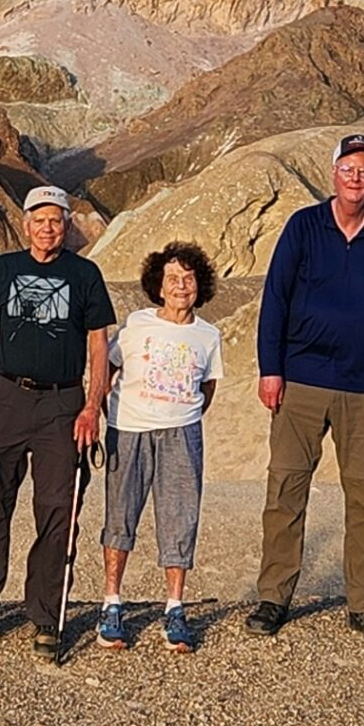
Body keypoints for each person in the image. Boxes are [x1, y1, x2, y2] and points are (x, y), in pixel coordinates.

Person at [249, 132, 364, 647]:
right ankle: (274, 596)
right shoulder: (304, 226)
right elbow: (275, 298)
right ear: (334, 172)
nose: (356, 177)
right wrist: (269, 368)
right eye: (349, 168)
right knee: (285, 491)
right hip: (300, 380)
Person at [0, 185, 114, 660]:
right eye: (40, 220)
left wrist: (91, 405)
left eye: (57, 221)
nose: (48, 229)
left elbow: (99, 345)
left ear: (68, 226)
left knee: (57, 509)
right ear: (25, 225)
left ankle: (46, 616)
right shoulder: (4, 269)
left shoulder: (85, 274)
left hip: (62, 402)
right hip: (6, 395)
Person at [95, 242, 222, 654]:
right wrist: (101, 408)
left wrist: (185, 413)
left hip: (181, 435)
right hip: (128, 429)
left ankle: (175, 607)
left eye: (188, 279)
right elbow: (108, 365)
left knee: (180, 518)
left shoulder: (209, 335)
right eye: (172, 279)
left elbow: (209, 386)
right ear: (159, 286)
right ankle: (112, 603)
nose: (181, 286)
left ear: (199, 285)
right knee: (120, 515)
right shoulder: (136, 325)